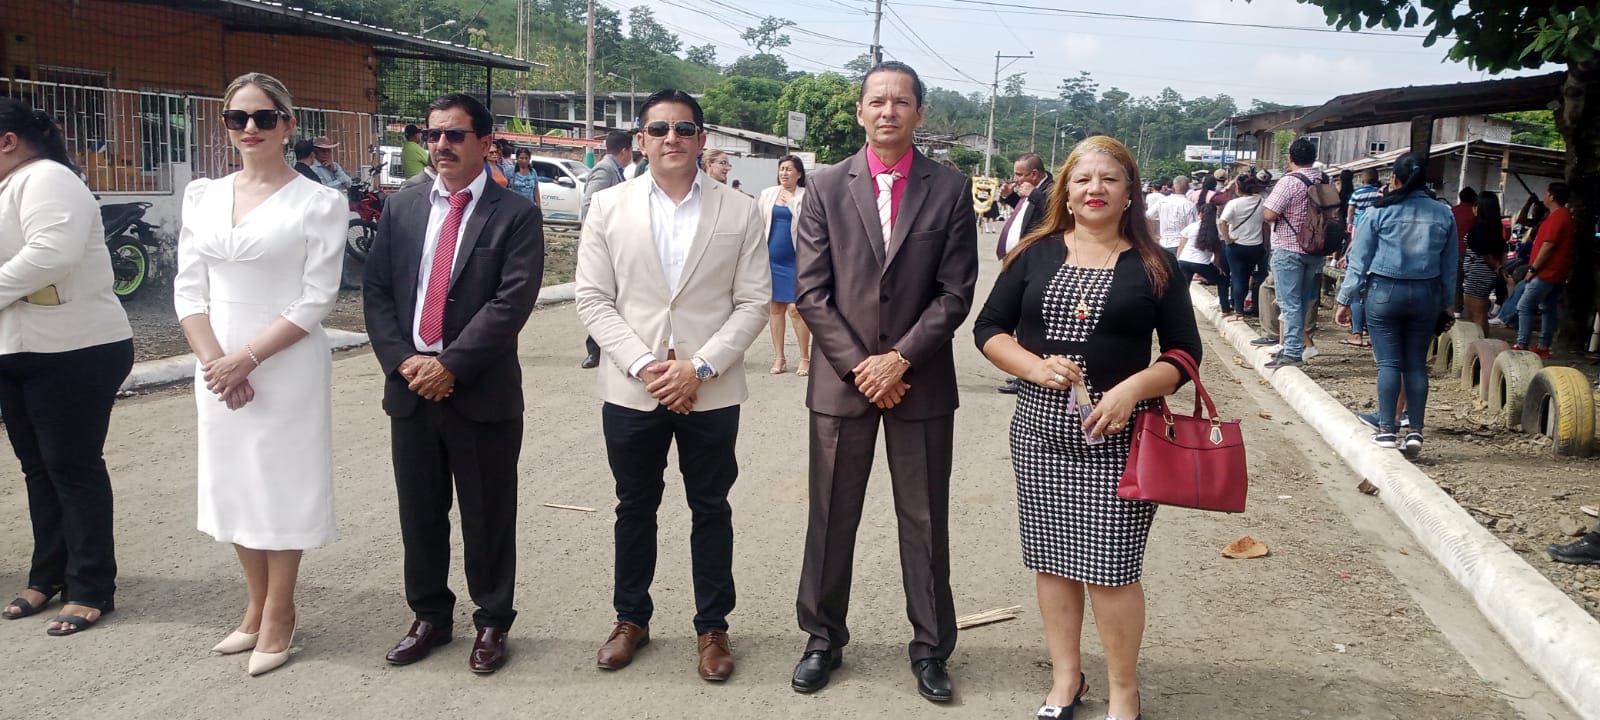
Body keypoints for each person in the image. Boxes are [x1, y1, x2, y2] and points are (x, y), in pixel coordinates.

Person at [974, 134, 1200, 720]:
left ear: (1129, 193)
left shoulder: (1156, 264)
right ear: (1066, 192)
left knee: (1113, 570)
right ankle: (1066, 680)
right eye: (1082, 179)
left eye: (1109, 179)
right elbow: (989, 329)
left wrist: (1133, 388)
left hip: (1121, 439)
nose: (1094, 189)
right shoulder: (1034, 253)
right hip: (1040, 434)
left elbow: (1183, 354)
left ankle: (1124, 691)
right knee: (1051, 561)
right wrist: (1033, 366)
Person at [790, 61, 979, 703]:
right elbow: (812, 292)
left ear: (919, 113)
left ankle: (931, 648)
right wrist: (862, 366)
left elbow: (955, 292)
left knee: (924, 519)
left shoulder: (949, 188)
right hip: (842, 383)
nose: (888, 111)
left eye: (901, 101)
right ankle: (822, 638)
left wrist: (899, 359)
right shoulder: (823, 186)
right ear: (860, 111)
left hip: (918, 382)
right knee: (830, 516)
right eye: (877, 101)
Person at [575, 88, 770, 683]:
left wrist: (699, 367)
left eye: (684, 129)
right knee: (634, 506)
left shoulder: (740, 210)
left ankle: (712, 627)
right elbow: (593, 298)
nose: (671, 139)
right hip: (633, 388)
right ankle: (630, 619)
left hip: (710, 390)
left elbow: (753, 301)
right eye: (659, 129)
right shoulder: (608, 206)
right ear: (641, 140)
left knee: (710, 507)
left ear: (701, 139)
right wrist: (644, 365)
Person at [362, 92, 545, 675]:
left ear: (485, 143)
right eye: (433, 134)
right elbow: (378, 292)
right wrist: (404, 362)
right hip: (411, 387)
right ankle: (429, 617)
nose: (441, 144)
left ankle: (492, 621)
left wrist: (451, 366)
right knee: (420, 512)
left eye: (455, 134)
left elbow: (510, 302)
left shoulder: (514, 213)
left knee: (487, 514)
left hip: (480, 390)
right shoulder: (403, 207)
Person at [173, 73, 346, 674]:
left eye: (264, 117)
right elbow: (188, 290)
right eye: (237, 118)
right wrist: (216, 363)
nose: (250, 128)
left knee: (280, 483)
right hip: (215, 359)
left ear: (287, 124)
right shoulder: (202, 195)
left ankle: (280, 610)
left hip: (284, 360)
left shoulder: (319, 202)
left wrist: (248, 359)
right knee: (236, 482)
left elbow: (317, 297)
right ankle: (253, 606)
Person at [0, 98, 135, 636]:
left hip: (76, 348)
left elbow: (51, 254)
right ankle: (48, 574)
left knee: (72, 466)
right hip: (19, 348)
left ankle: (90, 585)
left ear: (8, 141)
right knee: (38, 468)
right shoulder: (11, 186)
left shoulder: (48, 179)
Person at [1335, 153, 1457, 453]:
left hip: (1384, 292)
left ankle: (1387, 430)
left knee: (1389, 363)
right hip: (1426, 294)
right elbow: (1450, 265)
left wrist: (1345, 299)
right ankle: (1415, 431)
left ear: (1394, 179)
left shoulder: (1378, 211)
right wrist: (1447, 304)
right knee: (1416, 364)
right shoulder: (1444, 214)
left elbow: (1359, 261)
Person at [1260, 137, 1326, 370]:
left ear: (1290, 158)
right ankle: (1294, 346)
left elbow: (1269, 214)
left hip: (1288, 248)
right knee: (1302, 301)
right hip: (1315, 248)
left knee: (1289, 303)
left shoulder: (1289, 181)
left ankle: (1291, 351)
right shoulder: (1323, 179)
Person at [995, 153, 1057, 395]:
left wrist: (1034, 194)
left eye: (1020, 174)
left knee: (1026, 319)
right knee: (1017, 318)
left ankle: (1027, 373)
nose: (1017, 178)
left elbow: (1052, 214)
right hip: (1018, 260)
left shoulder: (1051, 190)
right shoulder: (1032, 190)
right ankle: (1022, 371)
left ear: (1034, 173)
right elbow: (1026, 213)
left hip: (1037, 262)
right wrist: (1008, 197)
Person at [578, 130, 634, 370]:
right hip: (603, 244)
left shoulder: (615, 170)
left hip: (614, 243)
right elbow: (590, 203)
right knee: (601, 296)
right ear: (625, 150)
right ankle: (594, 351)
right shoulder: (605, 170)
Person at [757, 155, 813, 376]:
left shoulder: (805, 195)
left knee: (796, 309)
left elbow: (808, 222)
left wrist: (791, 201)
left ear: (799, 173)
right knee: (776, 308)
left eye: (789, 169)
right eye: (781, 169)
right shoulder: (768, 194)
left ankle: (805, 357)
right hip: (772, 259)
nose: (784, 173)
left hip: (797, 259)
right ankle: (779, 357)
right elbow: (758, 223)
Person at [1514, 182, 1574, 358]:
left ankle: (1522, 343)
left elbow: (1548, 245)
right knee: (1548, 308)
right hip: (1556, 272)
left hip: (1546, 272)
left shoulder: (1557, 217)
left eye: (1546, 193)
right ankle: (1543, 345)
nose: (1544, 196)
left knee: (1524, 305)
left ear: (1552, 196)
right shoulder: (1563, 216)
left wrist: (1533, 268)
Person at [1338, 168, 1383, 345]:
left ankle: (1357, 333)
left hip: (1359, 236)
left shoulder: (1358, 195)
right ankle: (1371, 334)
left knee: (1358, 290)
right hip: (1380, 257)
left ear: (1362, 181)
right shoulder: (1380, 196)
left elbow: (1350, 211)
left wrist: (1349, 224)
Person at [1219, 172, 1268, 321]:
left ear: (1238, 188)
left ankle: (1238, 311)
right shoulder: (1262, 202)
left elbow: (1222, 222)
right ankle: (1238, 306)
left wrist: (1227, 239)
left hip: (1237, 246)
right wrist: (1265, 244)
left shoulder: (1234, 203)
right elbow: (1266, 224)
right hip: (1256, 246)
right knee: (1247, 277)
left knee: (1237, 277)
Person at [1462, 191, 1507, 336]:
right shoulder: (1495, 227)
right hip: (1484, 274)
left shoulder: (1480, 228)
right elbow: (1503, 249)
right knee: (1479, 313)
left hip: (1478, 274)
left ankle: (1481, 342)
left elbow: (1485, 253)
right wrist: (1499, 267)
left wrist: (1497, 267)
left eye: (1476, 205)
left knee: (1477, 313)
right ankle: (1481, 340)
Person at [1145, 175, 1195, 255]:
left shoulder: (1162, 201)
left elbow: (1146, 216)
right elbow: (1192, 229)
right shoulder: (1189, 205)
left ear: (1173, 187)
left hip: (1163, 243)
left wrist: (1154, 235)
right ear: (1188, 188)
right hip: (1181, 245)